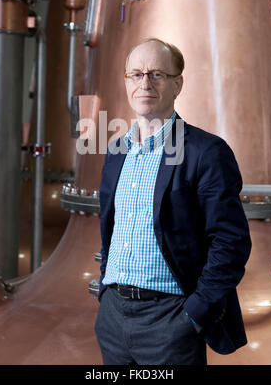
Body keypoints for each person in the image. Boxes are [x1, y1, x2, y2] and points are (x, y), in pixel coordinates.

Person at [94, 37, 252, 365]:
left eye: (156, 74)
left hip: (170, 319)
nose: (144, 83)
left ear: (177, 84)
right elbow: (110, 227)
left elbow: (230, 242)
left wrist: (194, 316)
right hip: (113, 318)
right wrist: (106, 294)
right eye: (135, 74)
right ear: (126, 82)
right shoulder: (116, 151)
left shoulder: (205, 152)